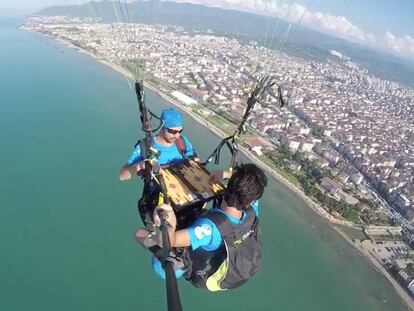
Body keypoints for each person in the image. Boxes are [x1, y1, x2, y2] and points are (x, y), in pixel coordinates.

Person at [136, 163, 268, 291]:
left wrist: (171, 223)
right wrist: (225, 174)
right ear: (250, 200)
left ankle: (180, 264)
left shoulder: (209, 229)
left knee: (139, 234)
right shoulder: (252, 211)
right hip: (233, 255)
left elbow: (170, 241)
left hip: (205, 272)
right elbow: (252, 190)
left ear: (231, 184)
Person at [119, 107, 198, 226]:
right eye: (172, 131)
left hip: (183, 198)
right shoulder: (146, 147)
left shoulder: (182, 142)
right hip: (157, 201)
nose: (176, 135)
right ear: (162, 127)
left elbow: (195, 158)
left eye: (180, 131)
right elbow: (122, 176)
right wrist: (142, 164)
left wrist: (193, 162)